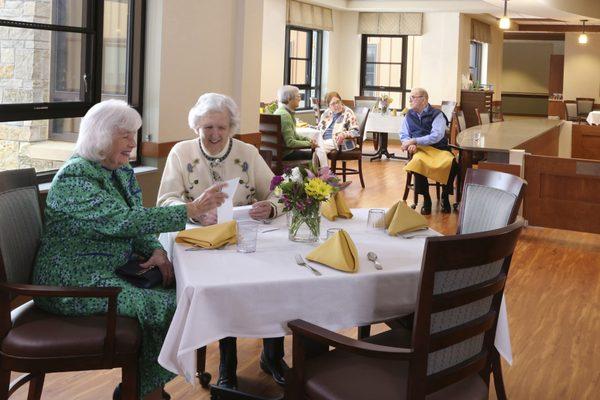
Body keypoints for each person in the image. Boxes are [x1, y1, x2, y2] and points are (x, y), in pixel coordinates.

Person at [32, 100, 227, 400]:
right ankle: (143, 392)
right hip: (73, 281)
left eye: (134, 134)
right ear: (100, 135)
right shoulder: (75, 177)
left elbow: (135, 222)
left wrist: (157, 251)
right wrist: (191, 208)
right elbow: (121, 220)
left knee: (180, 293)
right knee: (165, 307)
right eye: (125, 135)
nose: (133, 143)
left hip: (111, 270)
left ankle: (140, 389)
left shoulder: (118, 170)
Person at [157, 93, 287, 389]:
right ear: (196, 128)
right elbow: (165, 201)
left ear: (231, 127)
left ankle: (273, 355)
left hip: (247, 234)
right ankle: (227, 362)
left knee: (275, 280)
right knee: (222, 289)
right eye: (208, 128)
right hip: (201, 240)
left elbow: (277, 191)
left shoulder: (248, 152)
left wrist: (271, 206)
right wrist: (195, 213)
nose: (215, 134)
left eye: (221, 128)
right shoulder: (180, 152)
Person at [400, 88, 458, 215]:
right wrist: (410, 144)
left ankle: (445, 196)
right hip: (420, 150)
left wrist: (414, 141)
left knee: (451, 162)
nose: (410, 100)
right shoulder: (408, 115)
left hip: (439, 149)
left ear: (424, 99)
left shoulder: (437, 114)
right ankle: (426, 198)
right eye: (410, 97)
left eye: (413, 97)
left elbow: (436, 136)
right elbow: (404, 135)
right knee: (418, 162)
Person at [313, 91, 360, 168]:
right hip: (323, 140)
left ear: (341, 101)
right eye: (333, 104)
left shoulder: (348, 113)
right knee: (313, 149)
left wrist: (344, 134)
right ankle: (316, 176)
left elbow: (356, 131)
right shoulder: (327, 113)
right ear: (328, 106)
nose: (337, 105)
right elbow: (320, 128)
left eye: (338, 102)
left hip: (339, 141)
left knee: (319, 149)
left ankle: (325, 176)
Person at [273, 85, 316, 161]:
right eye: (298, 96)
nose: (300, 99)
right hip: (285, 154)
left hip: (279, 152)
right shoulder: (285, 115)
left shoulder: (281, 111)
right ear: (289, 99)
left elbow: (294, 135)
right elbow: (290, 143)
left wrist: (308, 139)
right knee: (316, 157)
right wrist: (310, 144)